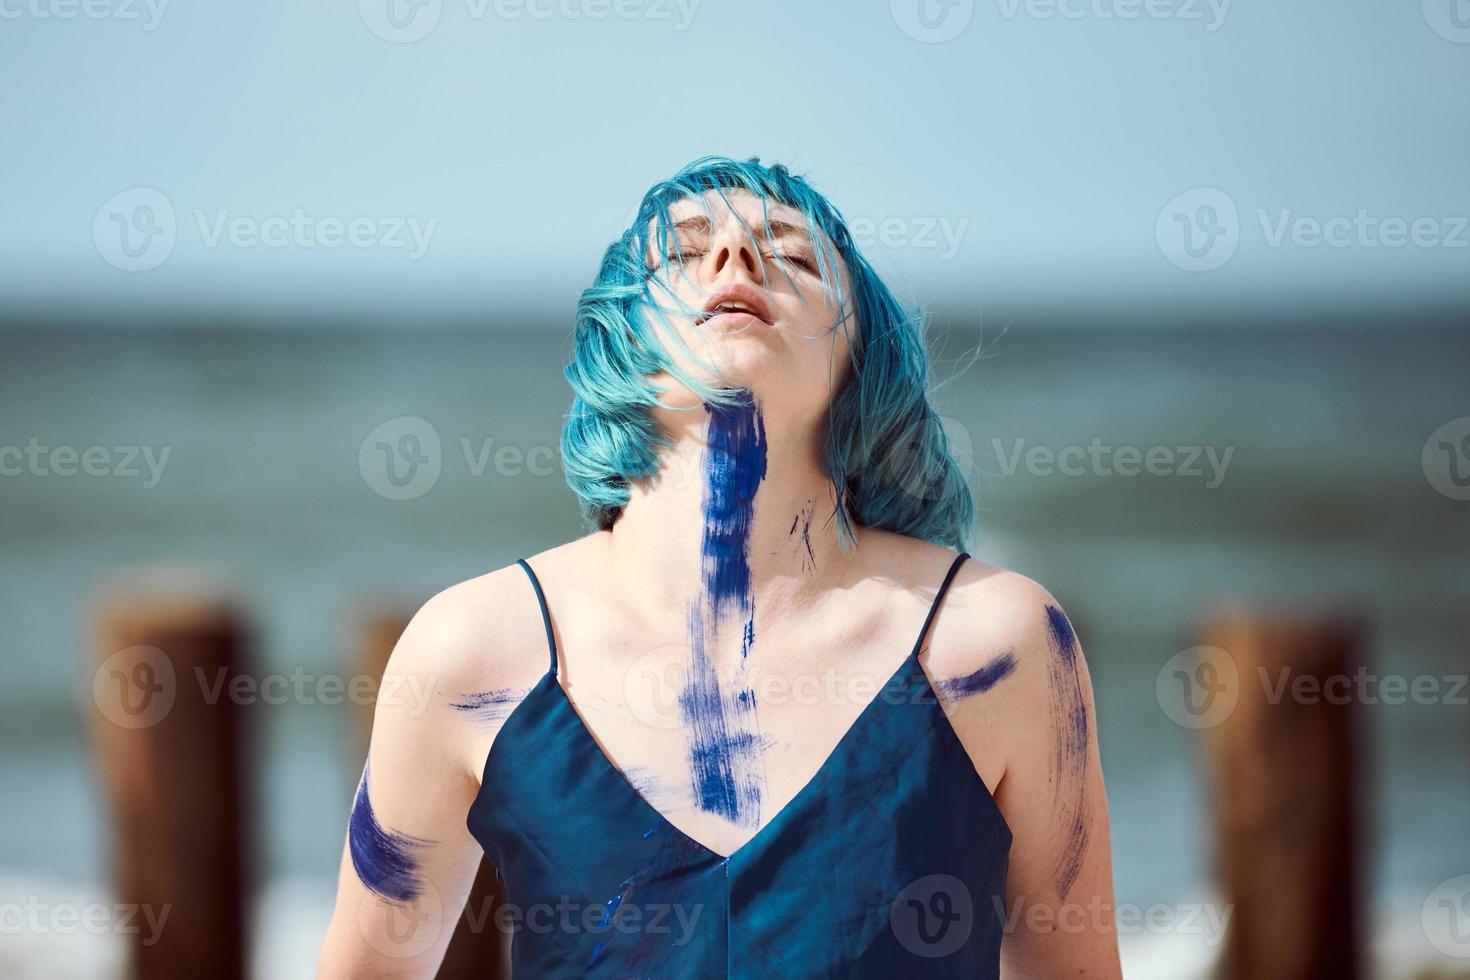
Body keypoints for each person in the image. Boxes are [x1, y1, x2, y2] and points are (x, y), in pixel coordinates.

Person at [317, 156, 1122, 978]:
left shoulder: (993, 644)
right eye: (685, 251)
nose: (736, 261)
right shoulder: (474, 652)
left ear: (859, 356)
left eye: (796, 256)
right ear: (618, 338)